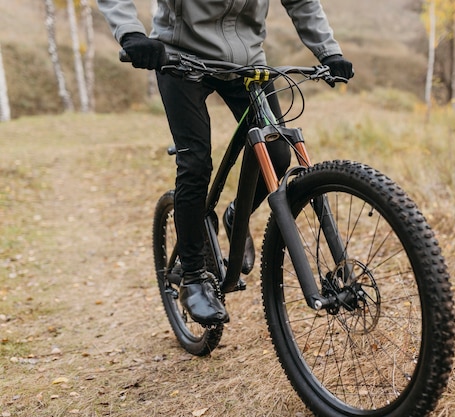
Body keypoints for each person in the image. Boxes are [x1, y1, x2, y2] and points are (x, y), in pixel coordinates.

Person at [97, 0, 353, 326]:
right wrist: (131, 33)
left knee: (276, 154)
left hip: (247, 62)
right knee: (195, 163)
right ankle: (193, 276)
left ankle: (236, 218)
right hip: (179, 59)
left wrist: (328, 51)